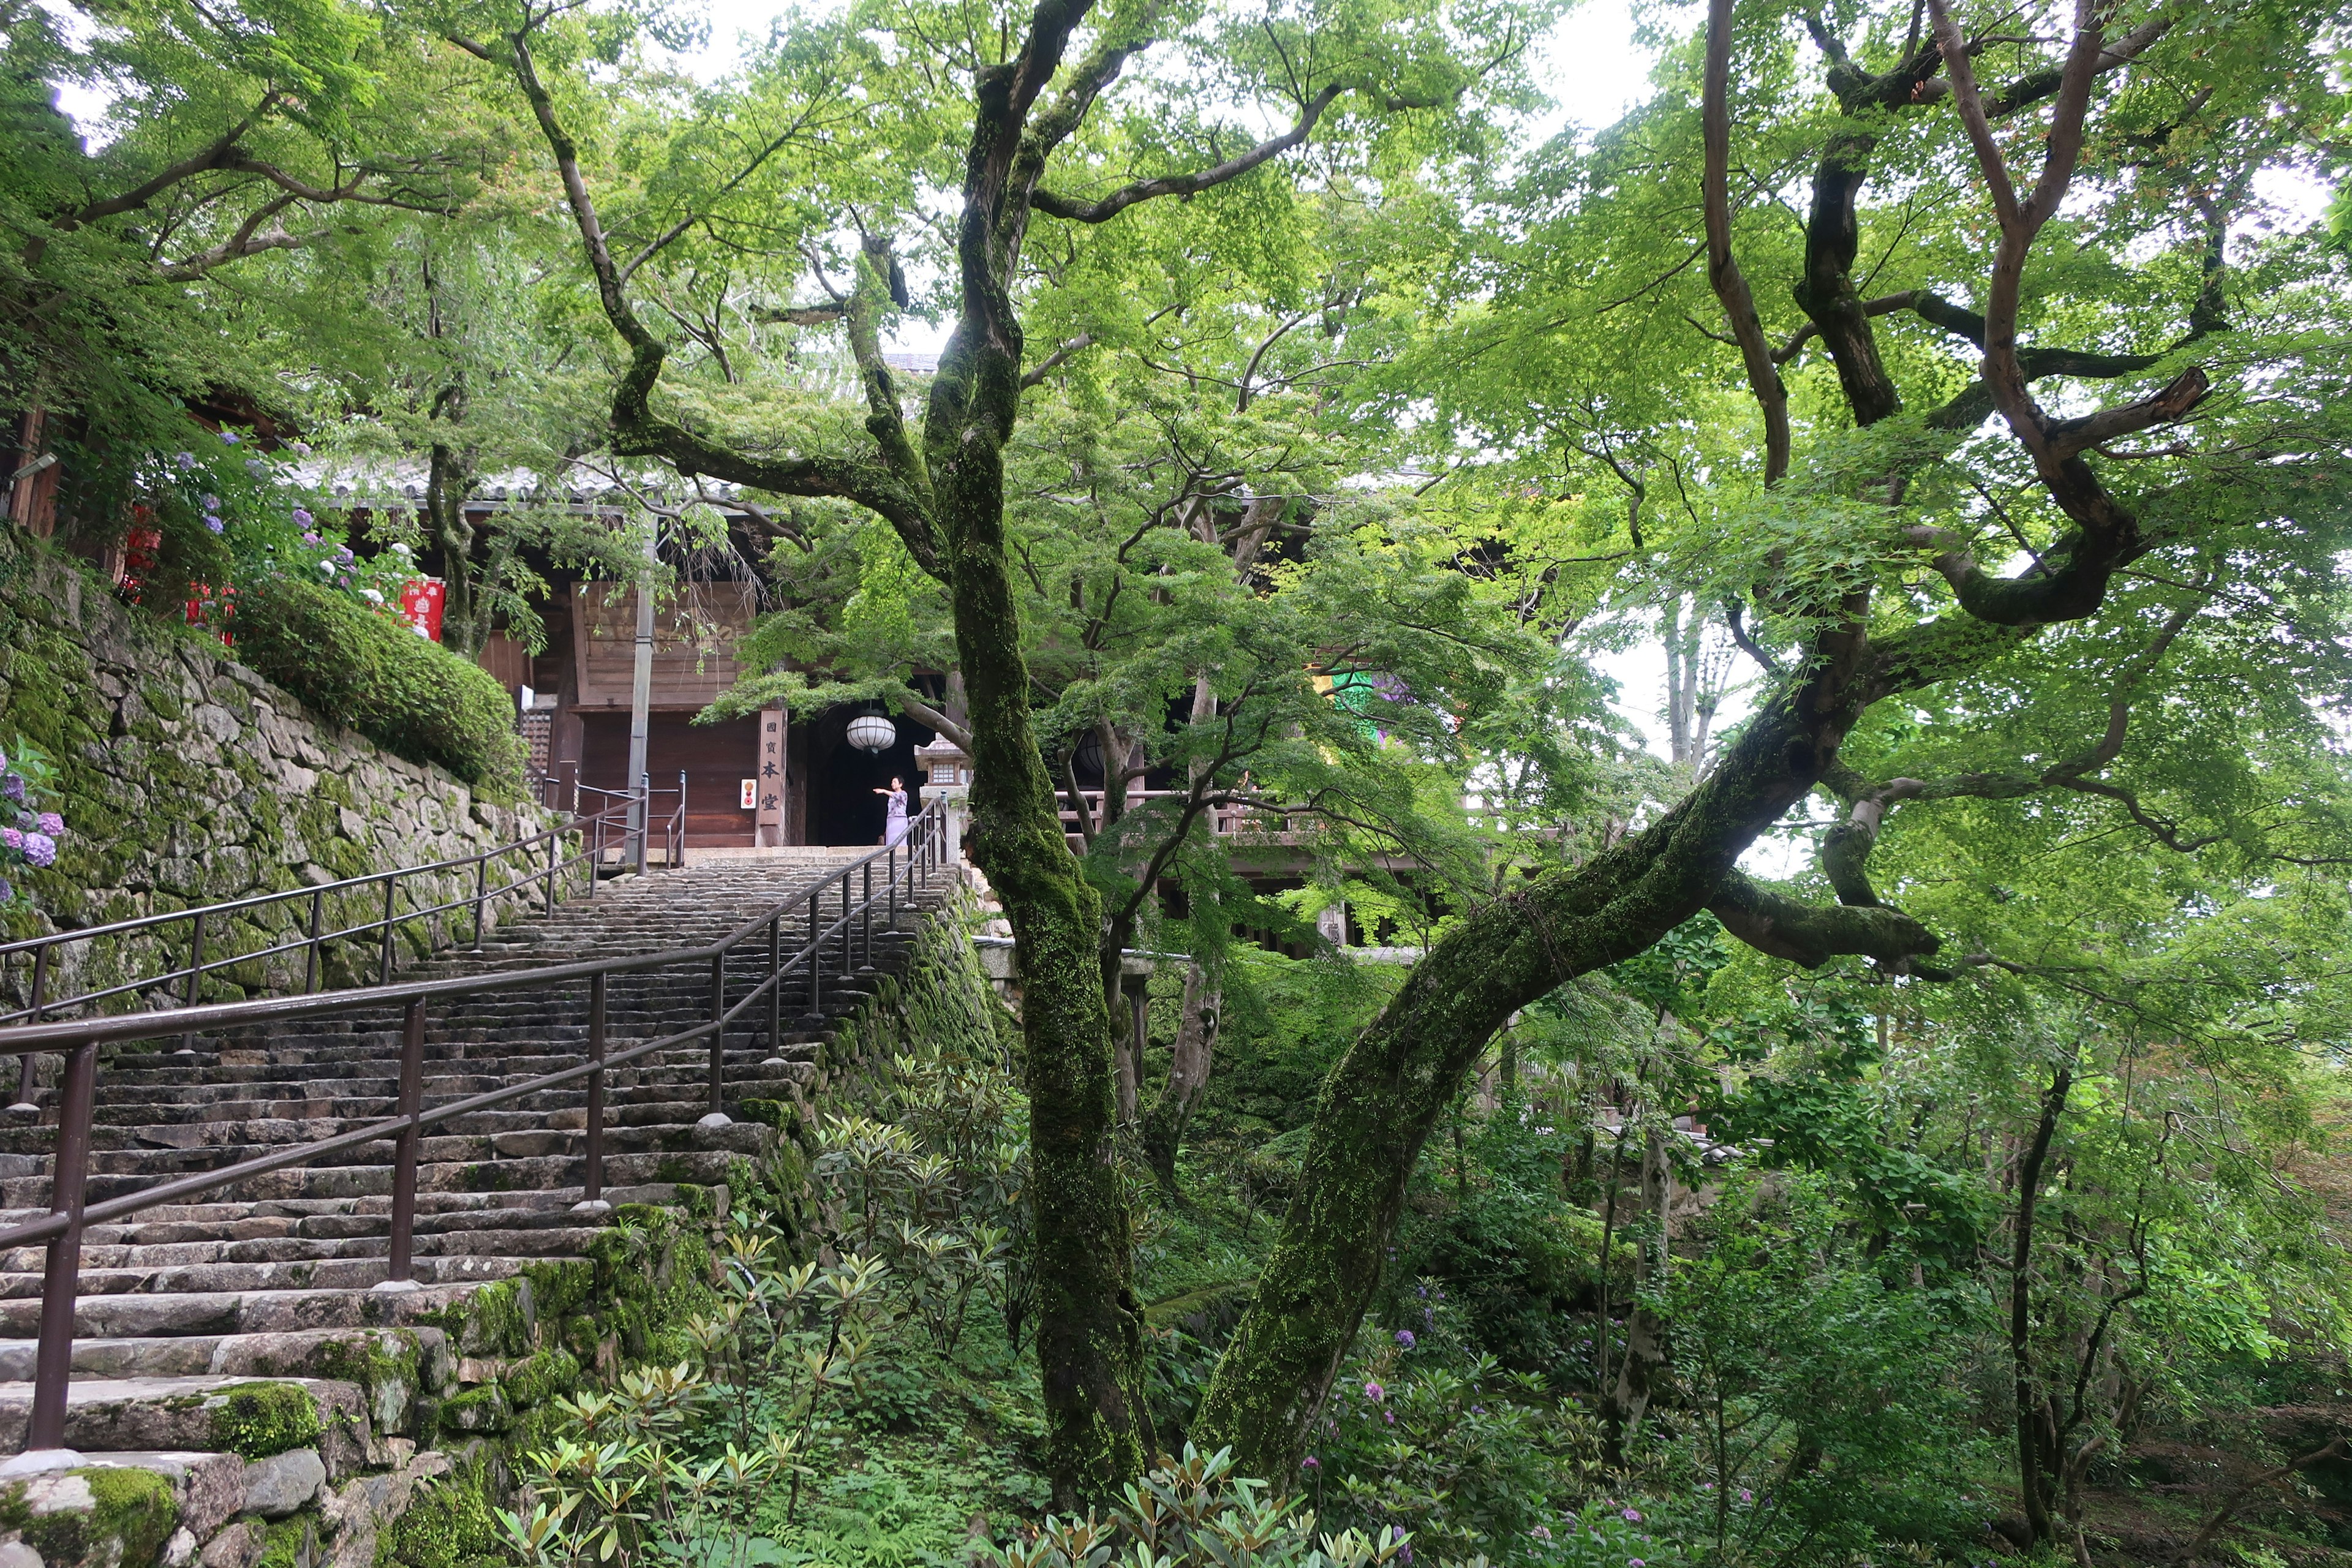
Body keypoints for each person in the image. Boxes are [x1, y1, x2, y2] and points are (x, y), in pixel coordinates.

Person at [873, 776, 909, 846]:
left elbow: (897, 796)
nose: (893, 784)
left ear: (900, 784)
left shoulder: (904, 794)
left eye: (895, 782)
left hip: (900, 819)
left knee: (900, 841)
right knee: (891, 841)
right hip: (891, 819)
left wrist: (883, 791)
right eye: (892, 782)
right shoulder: (891, 796)